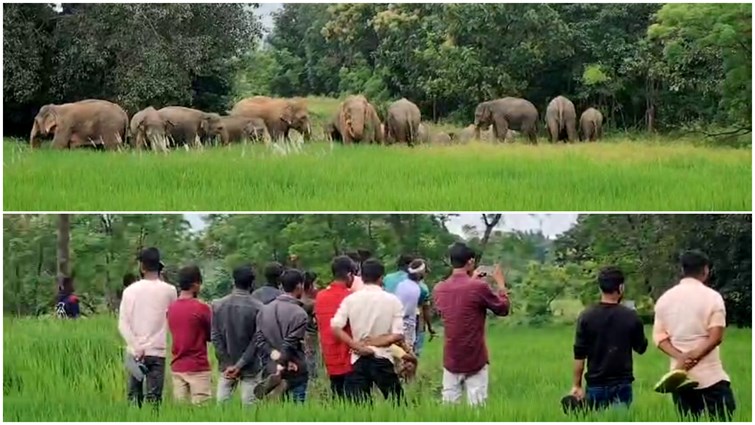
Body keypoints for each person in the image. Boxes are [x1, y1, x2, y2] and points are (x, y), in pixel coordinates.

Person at [653, 250, 736, 421]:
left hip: (679, 378)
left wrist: (681, 358)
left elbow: (660, 338)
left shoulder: (664, 299)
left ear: (682, 270)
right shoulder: (713, 298)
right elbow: (716, 336)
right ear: (705, 270)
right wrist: (695, 356)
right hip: (711, 377)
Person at [433, 242, 509, 406]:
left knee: (449, 410)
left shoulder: (439, 288)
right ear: (471, 262)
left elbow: (452, 310)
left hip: (451, 356)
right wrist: (501, 285)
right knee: (477, 408)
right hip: (475, 356)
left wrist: (471, 279)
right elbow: (502, 309)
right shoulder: (478, 286)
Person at [569, 266, 648, 410]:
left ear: (600, 288)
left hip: (595, 384)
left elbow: (579, 355)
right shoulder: (630, 316)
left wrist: (577, 385)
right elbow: (641, 348)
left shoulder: (586, 316)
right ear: (621, 287)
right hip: (622, 383)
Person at [331, 258, 405, 404]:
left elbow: (335, 327)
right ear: (381, 278)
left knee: (359, 408)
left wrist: (356, 345)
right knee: (398, 404)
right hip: (382, 357)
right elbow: (398, 334)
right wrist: (377, 342)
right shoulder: (392, 300)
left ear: (361, 276)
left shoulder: (350, 299)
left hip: (358, 358)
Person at [118, 247, 177, 407]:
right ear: (158, 265)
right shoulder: (170, 291)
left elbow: (123, 323)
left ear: (142, 267)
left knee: (133, 399)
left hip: (134, 353)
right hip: (157, 351)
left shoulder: (130, 291)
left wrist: (136, 346)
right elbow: (172, 319)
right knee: (154, 401)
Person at [212, 264, 265, 405]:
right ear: (252, 283)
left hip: (226, 367)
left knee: (222, 407)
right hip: (251, 366)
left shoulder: (218, 305)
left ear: (233, 281)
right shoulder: (259, 307)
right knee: (250, 410)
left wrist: (229, 364)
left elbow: (215, 337)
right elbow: (257, 340)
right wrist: (240, 365)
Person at [254, 269, 309, 403]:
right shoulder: (300, 314)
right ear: (299, 286)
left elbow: (260, 340)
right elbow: (290, 343)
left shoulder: (264, 310)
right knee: (298, 413)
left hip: (271, 369)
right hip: (295, 368)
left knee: (276, 413)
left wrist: (275, 355)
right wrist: (284, 363)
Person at [166, 265, 212, 405]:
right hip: (198, 367)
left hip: (177, 366)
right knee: (202, 412)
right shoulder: (201, 308)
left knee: (181, 413)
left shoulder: (171, 308)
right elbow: (212, 335)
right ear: (195, 284)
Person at [314, 256, 357, 399]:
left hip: (330, 357)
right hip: (349, 357)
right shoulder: (352, 297)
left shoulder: (320, 296)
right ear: (350, 275)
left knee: (338, 398)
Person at [394, 259, 427, 350]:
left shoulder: (401, 284)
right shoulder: (419, 290)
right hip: (407, 325)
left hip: (395, 323)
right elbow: (415, 310)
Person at [301, 270, 320, 381]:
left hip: (300, 332)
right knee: (311, 355)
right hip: (310, 333)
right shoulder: (311, 302)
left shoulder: (298, 298)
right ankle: (312, 378)